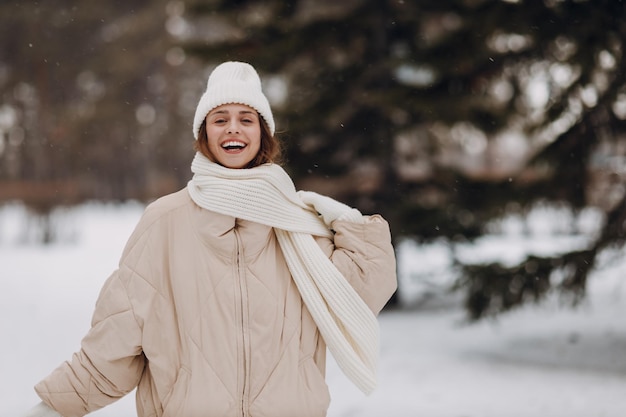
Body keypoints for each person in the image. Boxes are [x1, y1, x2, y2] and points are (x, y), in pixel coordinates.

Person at [21, 61, 397, 417]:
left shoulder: (295, 225)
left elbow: (364, 292)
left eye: (246, 119)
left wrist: (349, 222)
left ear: (262, 134)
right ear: (204, 135)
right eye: (220, 119)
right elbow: (114, 341)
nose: (233, 128)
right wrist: (55, 406)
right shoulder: (164, 222)